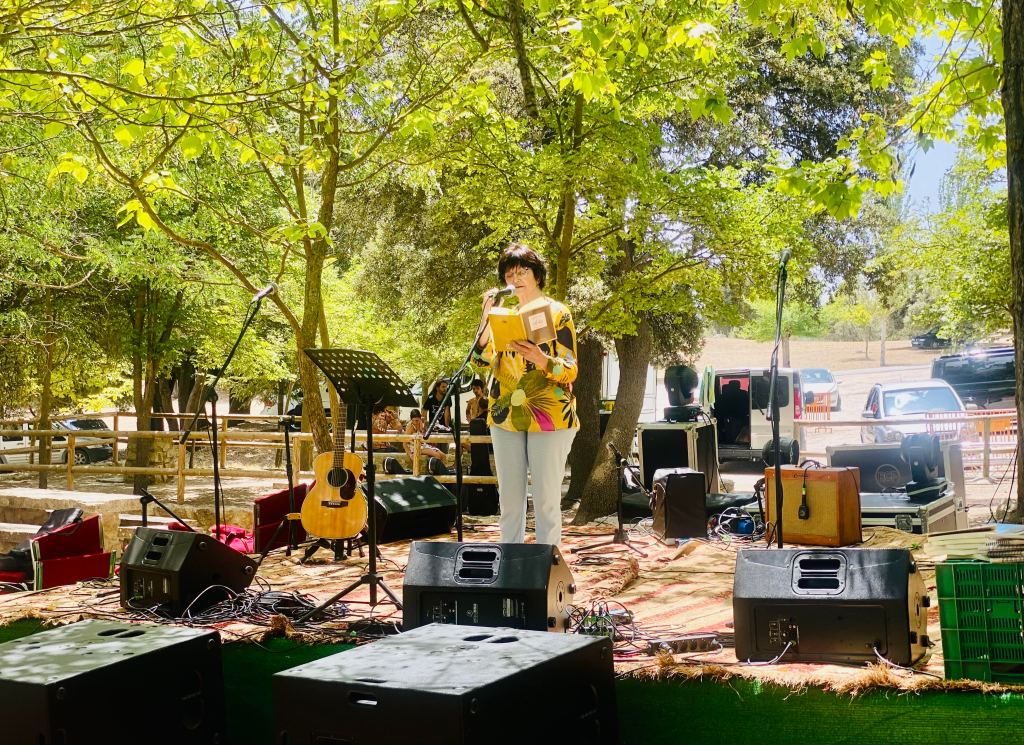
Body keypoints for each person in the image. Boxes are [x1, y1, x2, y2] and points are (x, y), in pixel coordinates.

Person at [473, 242, 578, 546]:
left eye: (522, 272)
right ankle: (510, 567)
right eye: (509, 274)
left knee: (546, 501)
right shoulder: (501, 316)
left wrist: (541, 359)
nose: (515, 279)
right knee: (509, 501)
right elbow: (480, 362)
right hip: (505, 414)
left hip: (549, 415)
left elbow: (570, 369)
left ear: (537, 275)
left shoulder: (558, 313)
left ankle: (547, 568)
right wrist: (485, 317)